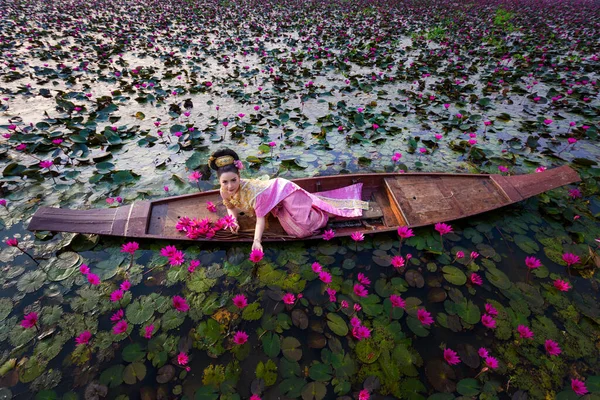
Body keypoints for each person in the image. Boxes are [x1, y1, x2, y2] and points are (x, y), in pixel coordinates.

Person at [208, 148, 369, 251]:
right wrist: (234, 220)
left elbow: (260, 219)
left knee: (302, 230)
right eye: (225, 182)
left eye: (233, 180)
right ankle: (294, 209)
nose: (230, 186)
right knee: (296, 229)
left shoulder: (252, 193)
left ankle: (324, 214)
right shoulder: (224, 191)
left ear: (239, 176)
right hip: (274, 200)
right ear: (220, 182)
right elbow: (230, 207)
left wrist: (257, 241)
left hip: (285, 192)